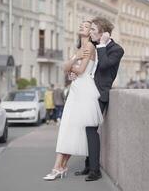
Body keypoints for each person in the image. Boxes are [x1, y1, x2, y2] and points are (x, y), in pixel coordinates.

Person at [43, 20, 104, 181]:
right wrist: (74, 61)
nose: (82, 27)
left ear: (90, 31)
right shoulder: (78, 49)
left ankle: (58, 167)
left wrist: (71, 66)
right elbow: (65, 68)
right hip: (76, 89)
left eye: (86, 26)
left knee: (71, 128)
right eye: (81, 25)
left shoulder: (90, 47)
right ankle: (60, 166)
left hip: (84, 90)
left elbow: (80, 69)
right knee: (68, 128)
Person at [74, 17, 124, 181]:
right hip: (87, 92)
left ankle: (95, 171)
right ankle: (89, 165)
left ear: (103, 33)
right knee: (85, 129)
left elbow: (103, 66)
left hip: (100, 95)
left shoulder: (116, 49)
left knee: (90, 129)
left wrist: (102, 44)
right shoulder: (94, 47)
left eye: (94, 30)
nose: (91, 32)